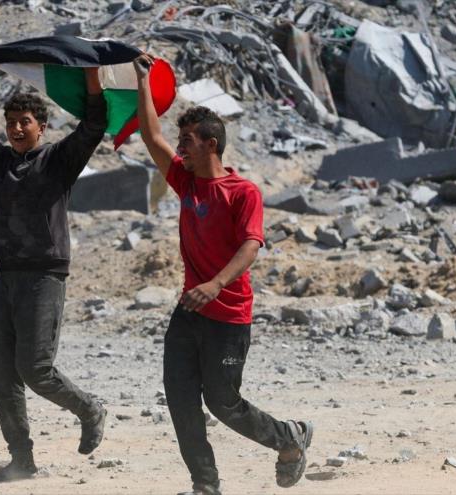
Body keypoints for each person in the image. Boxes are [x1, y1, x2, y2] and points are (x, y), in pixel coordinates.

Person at [132, 54, 314, 495]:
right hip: (188, 313)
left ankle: (288, 438)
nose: (180, 149)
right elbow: (149, 134)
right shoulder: (186, 182)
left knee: (223, 402)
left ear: (211, 143)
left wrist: (215, 284)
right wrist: (142, 80)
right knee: (180, 402)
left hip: (229, 316)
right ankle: (206, 486)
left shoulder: (242, 192)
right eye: (181, 141)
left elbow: (250, 245)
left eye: (188, 141)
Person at [0, 48, 107, 482]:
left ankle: (89, 407)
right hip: (7, 275)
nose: (16, 129)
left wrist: (92, 76)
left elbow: (94, 125)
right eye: (11, 123)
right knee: (1, 374)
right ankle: (22, 460)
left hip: (44, 276)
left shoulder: (58, 160)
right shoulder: (0, 161)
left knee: (35, 369)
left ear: (42, 127)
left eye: (25, 123)